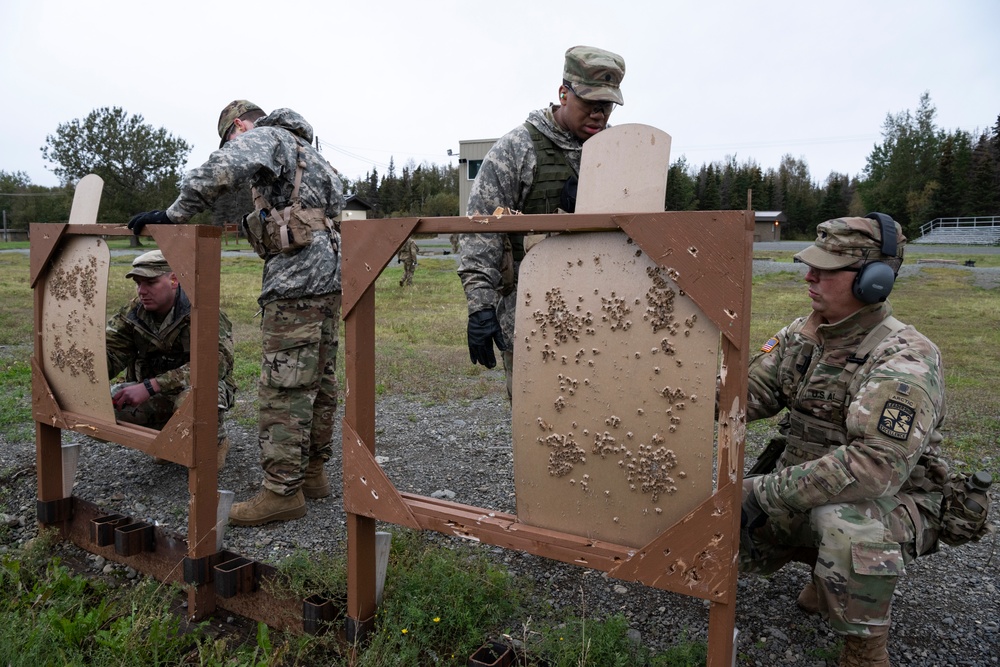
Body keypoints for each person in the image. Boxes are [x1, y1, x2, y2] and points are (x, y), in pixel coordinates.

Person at [739, 214, 952, 666]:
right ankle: (823, 577)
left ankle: (865, 651)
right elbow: (747, 397)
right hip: (809, 485)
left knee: (841, 520)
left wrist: (760, 491)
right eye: (810, 264)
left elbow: (874, 469)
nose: (809, 276)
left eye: (827, 269)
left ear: (873, 282)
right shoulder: (804, 334)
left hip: (894, 502)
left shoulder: (905, 358)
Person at [127, 100, 345, 526]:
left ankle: (282, 492)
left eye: (230, 135)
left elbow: (224, 168)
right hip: (329, 278)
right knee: (319, 380)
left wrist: (174, 214)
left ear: (239, 125)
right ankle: (313, 475)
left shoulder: (265, 137)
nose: (231, 141)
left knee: (284, 389)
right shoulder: (311, 152)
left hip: (295, 281)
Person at [457, 45, 625, 399]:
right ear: (564, 93)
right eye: (589, 103)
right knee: (540, 425)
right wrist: (481, 306)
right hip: (532, 318)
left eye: (606, 106)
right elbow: (480, 229)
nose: (598, 115)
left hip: (604, 314)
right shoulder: (518, 148)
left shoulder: (616, 151)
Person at [106, 250, 236, 469]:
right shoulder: (132, 313)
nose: (142, 291)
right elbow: (112, 353)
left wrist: (151, 386)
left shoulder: (203, 311)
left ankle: (215, 442)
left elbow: (215, 364)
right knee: (105, 406)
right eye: (138, 283)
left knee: (194, 400)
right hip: (155, 393)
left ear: (174, 279)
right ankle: (169, 437)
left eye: (150, 282)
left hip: (193, 390)